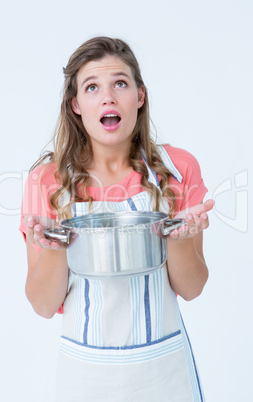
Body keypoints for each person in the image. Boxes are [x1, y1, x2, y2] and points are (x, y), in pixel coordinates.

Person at [20, 36, 214, 401]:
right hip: (86, 375)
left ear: (139, 96)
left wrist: (179, 237)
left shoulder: (177, 168)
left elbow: (192, 287)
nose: (108, 97)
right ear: (76, 105)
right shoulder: (46, 182)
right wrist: (53, 245)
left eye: (120, 84)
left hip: (164, 371)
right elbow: (44, 305)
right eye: (92, 87)